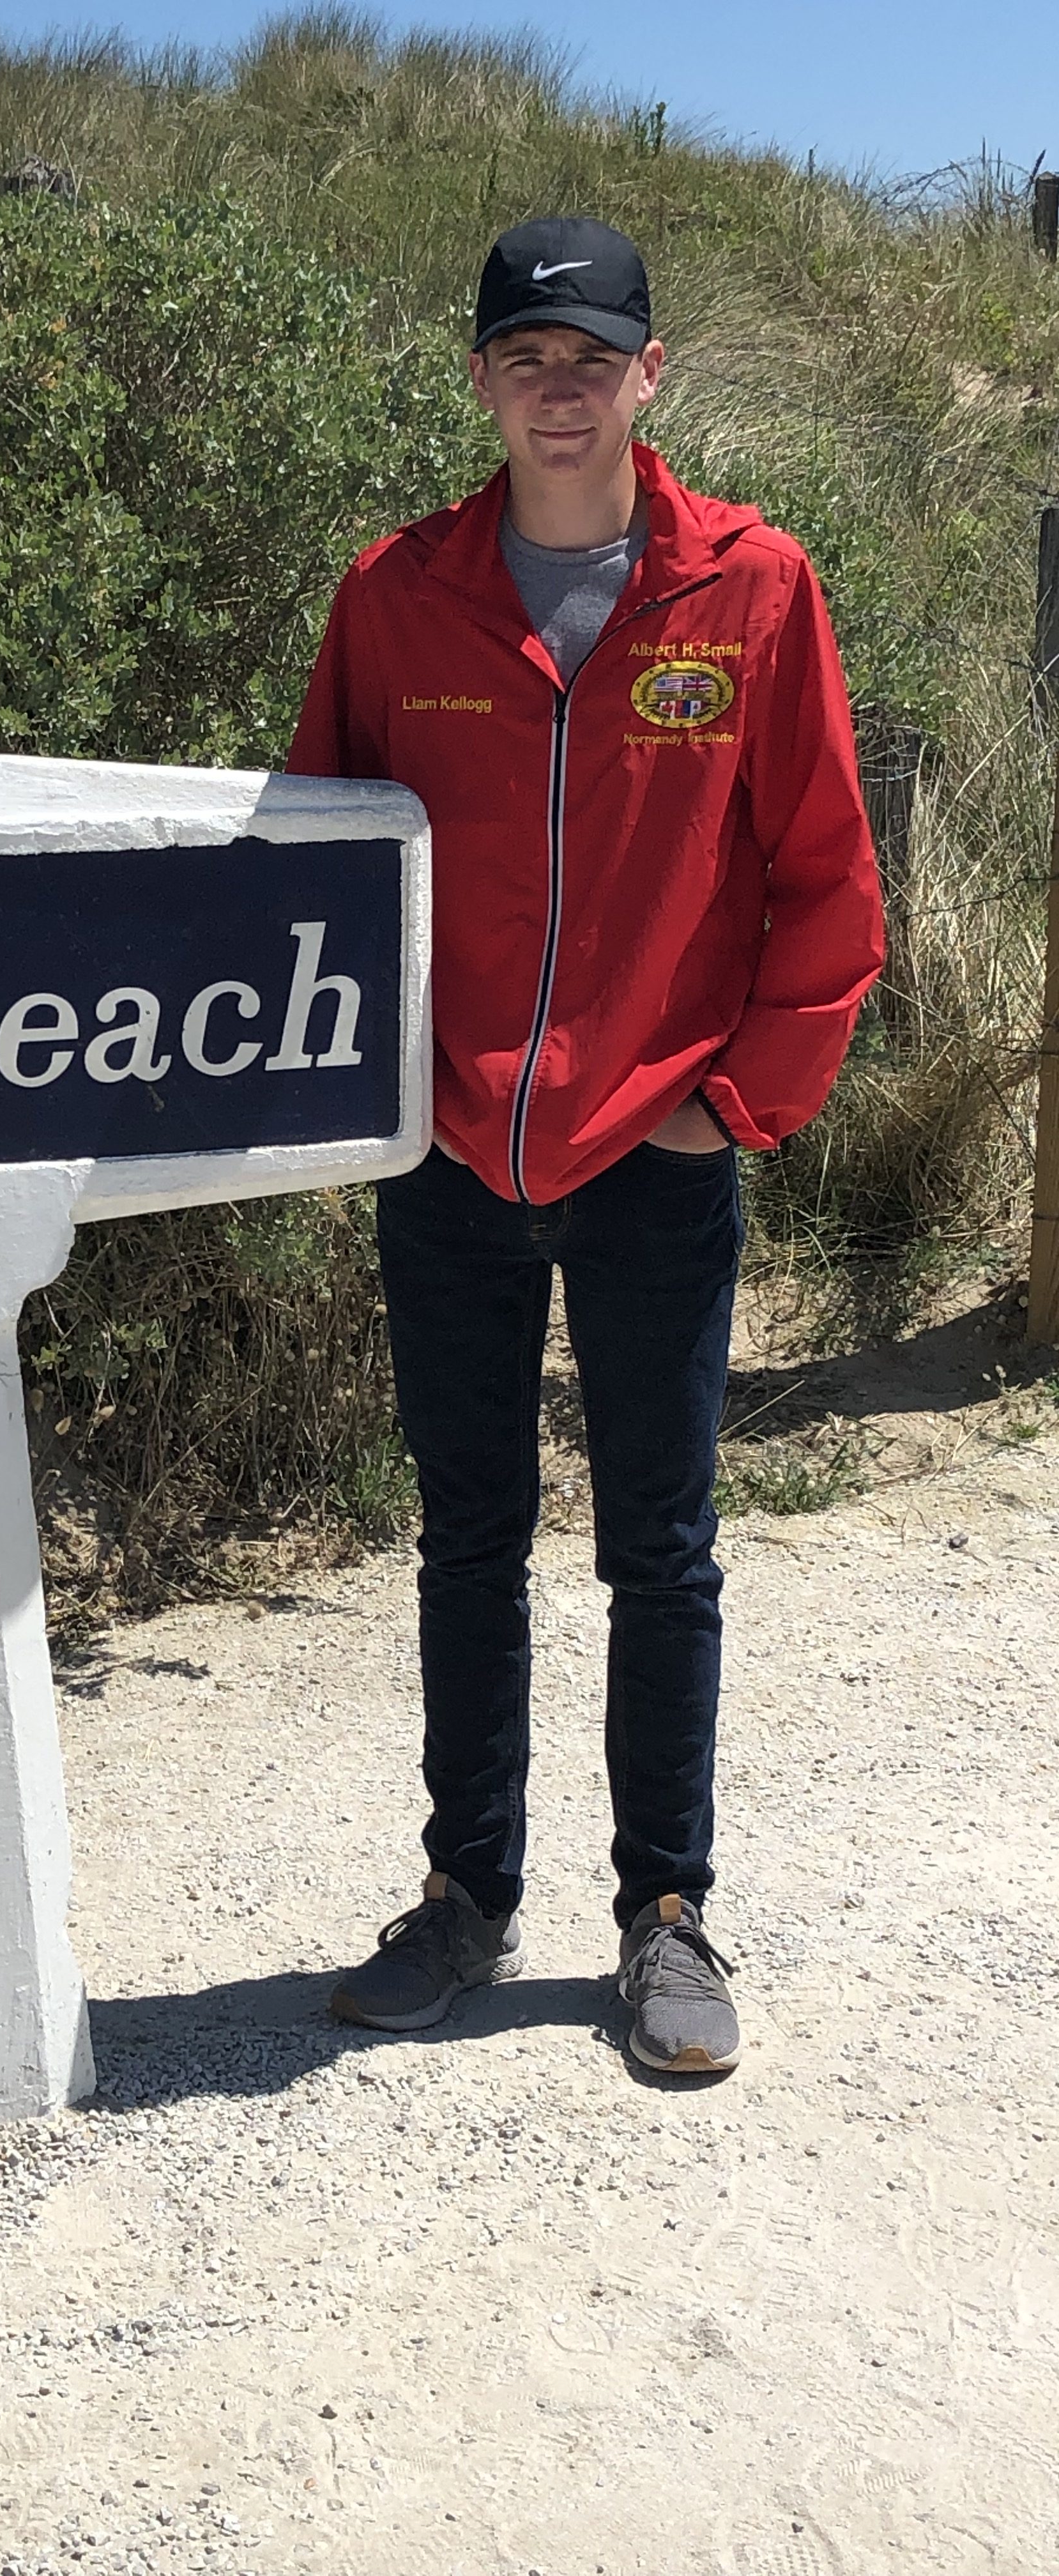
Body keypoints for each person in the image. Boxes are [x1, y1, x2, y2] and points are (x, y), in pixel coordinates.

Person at [287, 216, 884, 2074]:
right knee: (467, 1542)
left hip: (657, 1155)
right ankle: (468, 1899)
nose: (560, 388)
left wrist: (738, 1109)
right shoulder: (396, 594)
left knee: (665, 1550)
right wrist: (368, 1093)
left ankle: (668, 1919)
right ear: (481, 381)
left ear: (650, 377)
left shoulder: (755, 590)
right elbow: (314, 860)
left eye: (591, 356)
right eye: (524, 357)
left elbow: (826, 887)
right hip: (451, 1155)